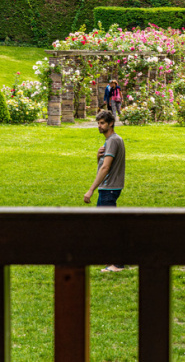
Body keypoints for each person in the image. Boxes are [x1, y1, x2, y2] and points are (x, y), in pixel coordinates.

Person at [84, 109, 127, 271]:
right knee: (103, 226)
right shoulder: (113, 140)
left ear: (111, 123)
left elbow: (106, 168)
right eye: (98, 123)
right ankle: (110, 259)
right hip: (109, 188)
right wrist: (98, 157)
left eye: (102, 123)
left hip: (108, 188)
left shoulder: (113, 141)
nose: (99, 126)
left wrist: (90, 190)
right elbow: (103, 163)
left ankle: (117, 263)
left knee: (109, 227)